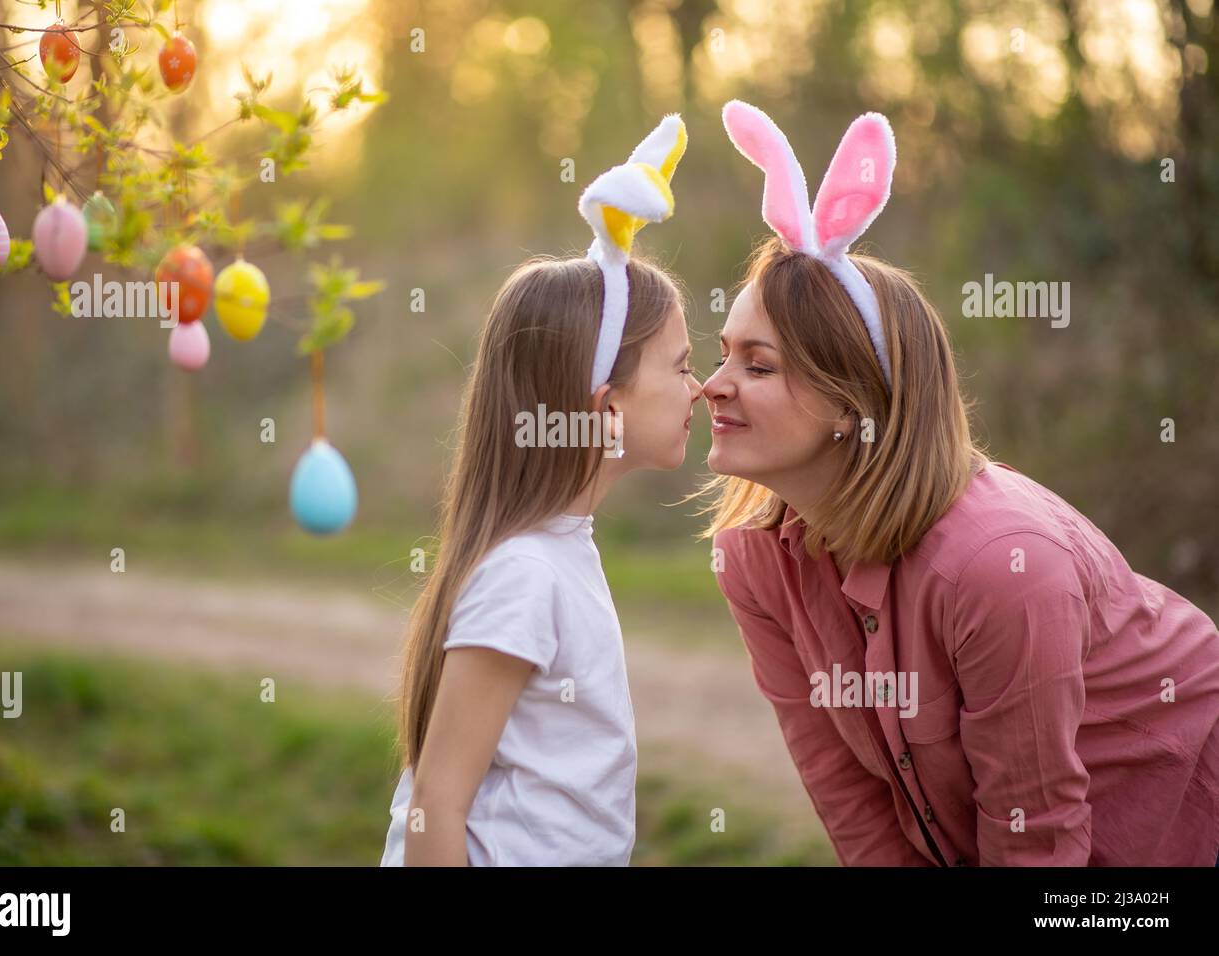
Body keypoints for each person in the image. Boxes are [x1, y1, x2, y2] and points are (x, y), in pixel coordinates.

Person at [700, 101, 1219, 866]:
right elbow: (850, 799)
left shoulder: (999, 568)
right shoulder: (752, 561)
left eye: (757, 365)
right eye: (721, 355)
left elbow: (1035, 841)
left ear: (852, 401)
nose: (713, 385)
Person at [381, 116, 702, 865]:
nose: (700, 388)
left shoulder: (560, 552)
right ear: (607, 405)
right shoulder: (524, 575)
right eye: (681, 366)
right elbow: (437, 805)